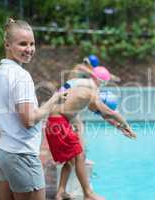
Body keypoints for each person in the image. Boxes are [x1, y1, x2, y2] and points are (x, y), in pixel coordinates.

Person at [0, 18, 66, 200]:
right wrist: (54, 99)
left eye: (32, 43)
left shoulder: (0, 72)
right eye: (23, 44)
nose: (29, 49)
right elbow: (29, 120)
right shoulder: (21, 76)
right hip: (22, 155)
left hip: (4, 152)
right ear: (7, 44)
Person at [45, 67, 136, 200]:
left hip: (56, 121)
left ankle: (61, 192)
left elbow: (103, 115)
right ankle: (88, 194)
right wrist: (127, 125)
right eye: (103, 84)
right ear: (98, 81)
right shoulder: (91, 92)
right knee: (80, 155)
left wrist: (119, 127)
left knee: (71, 161)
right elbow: (110, 113)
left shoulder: (82, 87)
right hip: (59, 122)